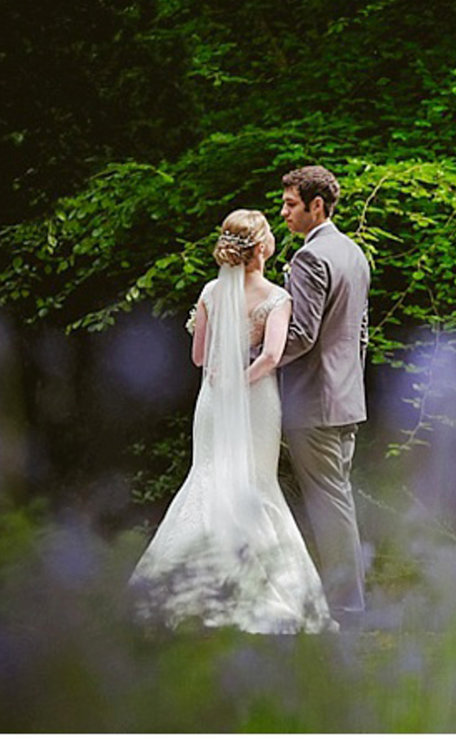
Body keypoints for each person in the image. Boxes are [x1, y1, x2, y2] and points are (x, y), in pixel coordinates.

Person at [128, 210, 335, 634]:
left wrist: (226, 379)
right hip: (256, 399)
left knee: (207, 477)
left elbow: (200, 358)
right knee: (256, 484)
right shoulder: (277, 297)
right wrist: (243, 381)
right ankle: (263, 583)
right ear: (261, 247)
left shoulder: (210, 292)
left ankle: (185, 587)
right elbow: (273, 357)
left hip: (213, 398)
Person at [275, 165, 373, 618]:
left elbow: (301, 335)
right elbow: (362, 332)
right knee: (337, 498)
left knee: (329, 504)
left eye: (291, 204)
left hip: (314, 400)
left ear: (317, 206)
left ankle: (348, 607)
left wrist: (253, 358)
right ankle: (348, 602)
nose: (284, 213)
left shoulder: (310, 258)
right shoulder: (354, 254)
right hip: (345, 397)